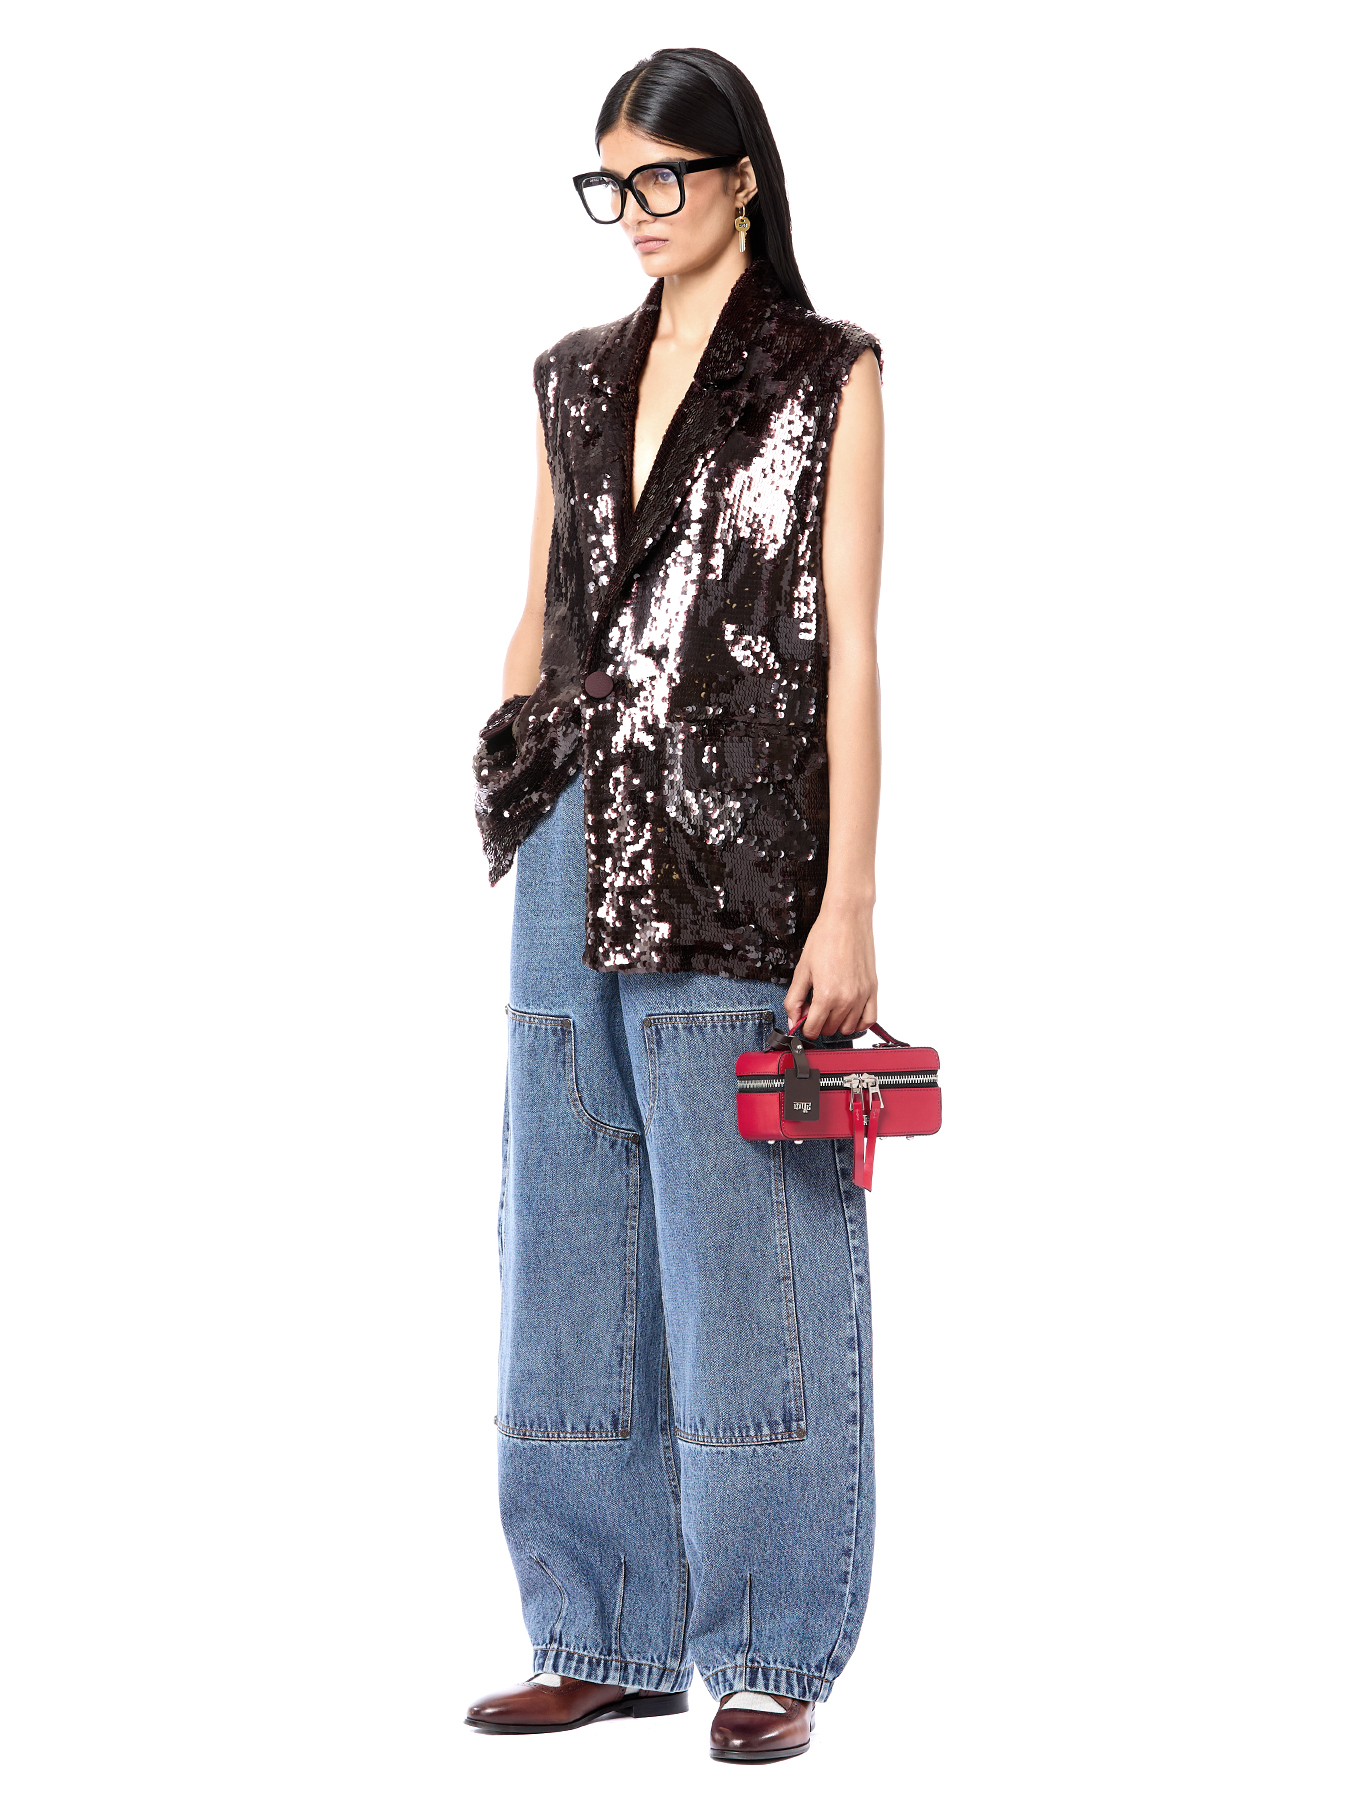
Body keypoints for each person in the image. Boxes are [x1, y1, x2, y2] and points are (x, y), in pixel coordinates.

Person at [466, 46, 885, 1765]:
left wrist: (847, 902)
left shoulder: (824, 372)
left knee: (748, 1253)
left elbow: (849, 648)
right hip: (571, 837)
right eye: (612, 184)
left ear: (739, 180)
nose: (635, 212)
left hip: (740, 854)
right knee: (567, 1245)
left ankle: (770, 1646)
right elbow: (539, 605)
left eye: (661, 178)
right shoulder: (571, 375)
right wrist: (512, 783)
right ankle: (601, 1628)